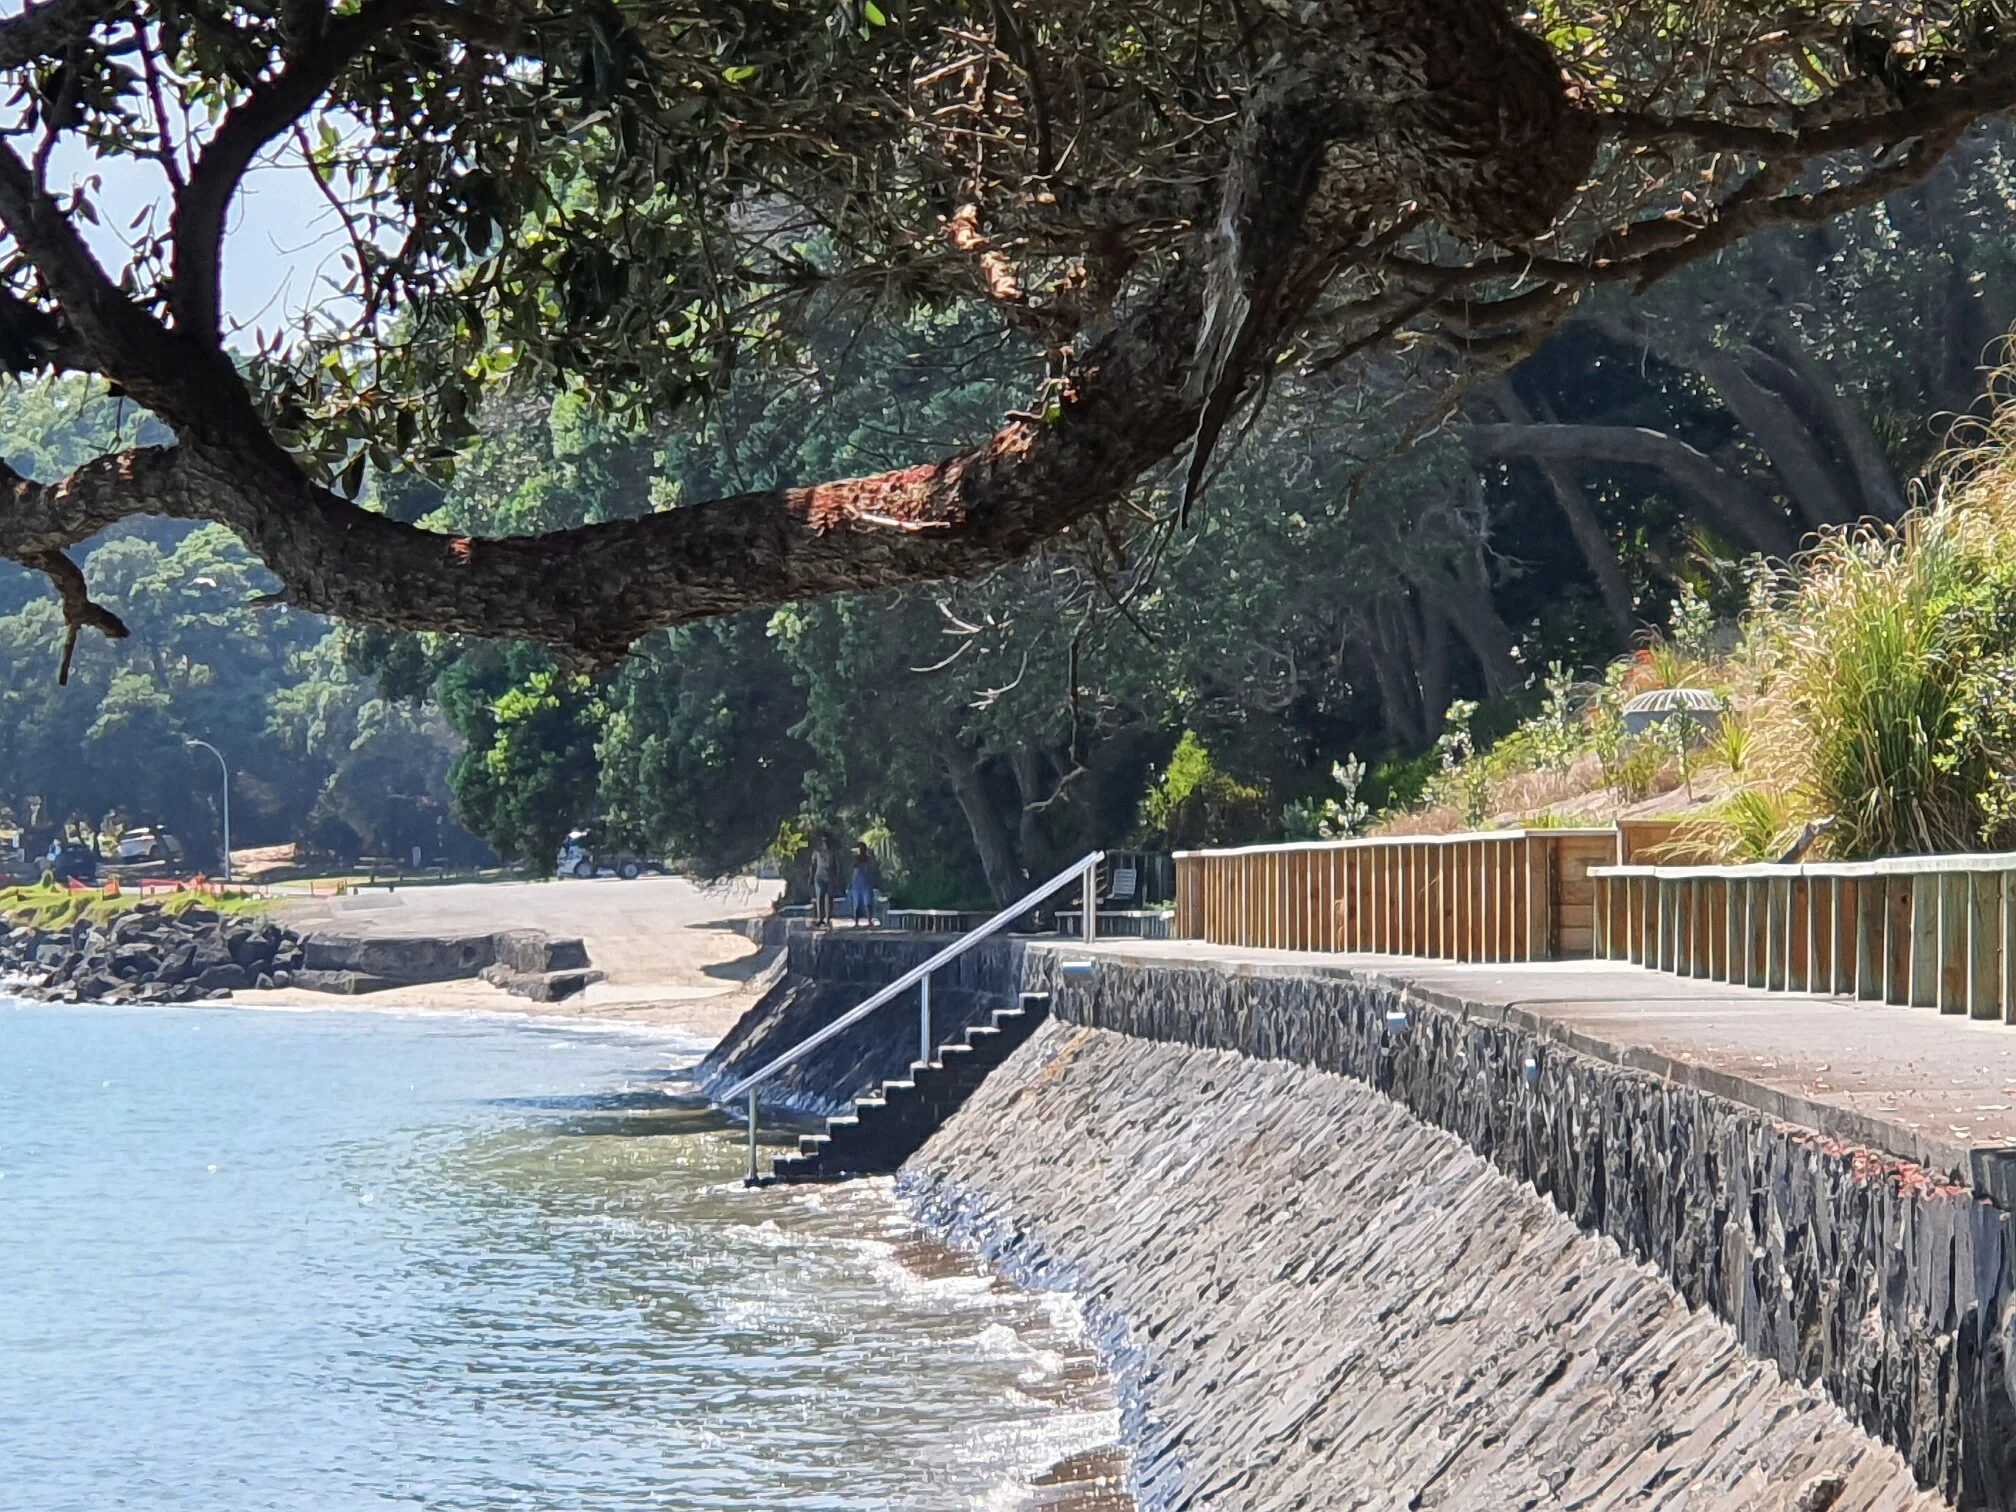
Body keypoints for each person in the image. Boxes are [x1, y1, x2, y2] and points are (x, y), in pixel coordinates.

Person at [847, 842, 880, 927]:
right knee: (856, 904)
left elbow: (874, 870)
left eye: (862, 849)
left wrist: (875, 882)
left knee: (868, 903)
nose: (861, 851)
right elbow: (851, 872)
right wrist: (849, 883)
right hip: (856, 884)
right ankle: (856, 921)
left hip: (867, 884)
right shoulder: (855, 860)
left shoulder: (869, 859)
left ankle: (869, 920)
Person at [808, 833, 835, 928]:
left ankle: (828, 918)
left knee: (829, 898)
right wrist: (811, 877)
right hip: (819, 877)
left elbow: (838, 866)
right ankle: (820, 918)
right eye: (823, 842)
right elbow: (812, 865)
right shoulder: (817, 852)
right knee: (820, 898)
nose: (825, 843)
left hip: (830, 877)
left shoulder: (832, 853)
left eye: (827, 841)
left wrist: (837, 878)